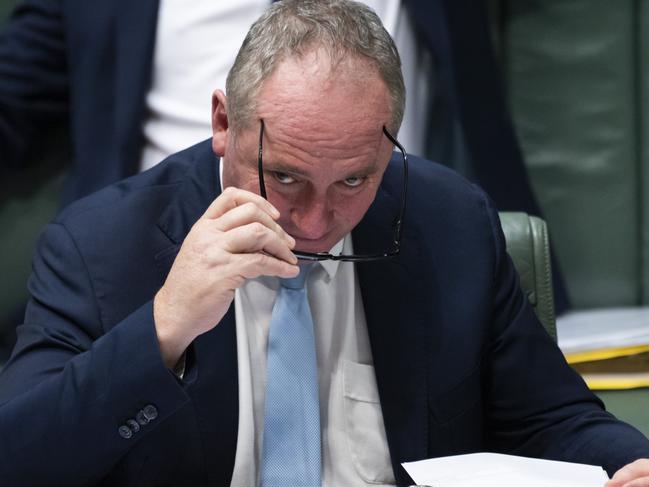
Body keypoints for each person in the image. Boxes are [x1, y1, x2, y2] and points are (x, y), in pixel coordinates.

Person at [0, 1, 641, 486]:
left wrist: (629, 463)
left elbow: (553, 419)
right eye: (283, 177)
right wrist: (163, 329)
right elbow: (21, 458)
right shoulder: (100, 247)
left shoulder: (449, 224)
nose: (312, 221)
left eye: (354, 180)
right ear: (223, 123)